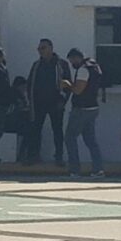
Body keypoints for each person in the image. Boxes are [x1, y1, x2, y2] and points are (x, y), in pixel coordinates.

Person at [27, 38, 72, 166]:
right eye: (39, 48)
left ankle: (59, 157)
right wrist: (30, 101)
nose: (40, 51)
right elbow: (30, 83)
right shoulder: (36, 65)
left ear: (51, 48)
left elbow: (67, 85)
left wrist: (63, 101)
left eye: (43, 48)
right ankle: (34, 156)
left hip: (55, 103)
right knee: (35, 129)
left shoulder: (61, 64)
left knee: (57, 130)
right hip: (38, 104)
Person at [62, 49, 104, 178]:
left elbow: (78, 90)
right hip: (93, 108)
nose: (71, 64)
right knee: (90, 140)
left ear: (76, 58)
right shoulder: (94, 66)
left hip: (81, 109)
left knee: (70, 137)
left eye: (71, 61)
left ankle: (74, 170)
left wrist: (67, 85)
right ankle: (98, 169)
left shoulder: (83, 70)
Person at [9, 76, 34, 165]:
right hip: (12, 122)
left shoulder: (20, 94)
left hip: (16, 121)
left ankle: (24, 154)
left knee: (30, 130)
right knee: (29, 132)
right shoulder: (14, 94)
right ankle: (23, 155)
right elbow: (17, 109)